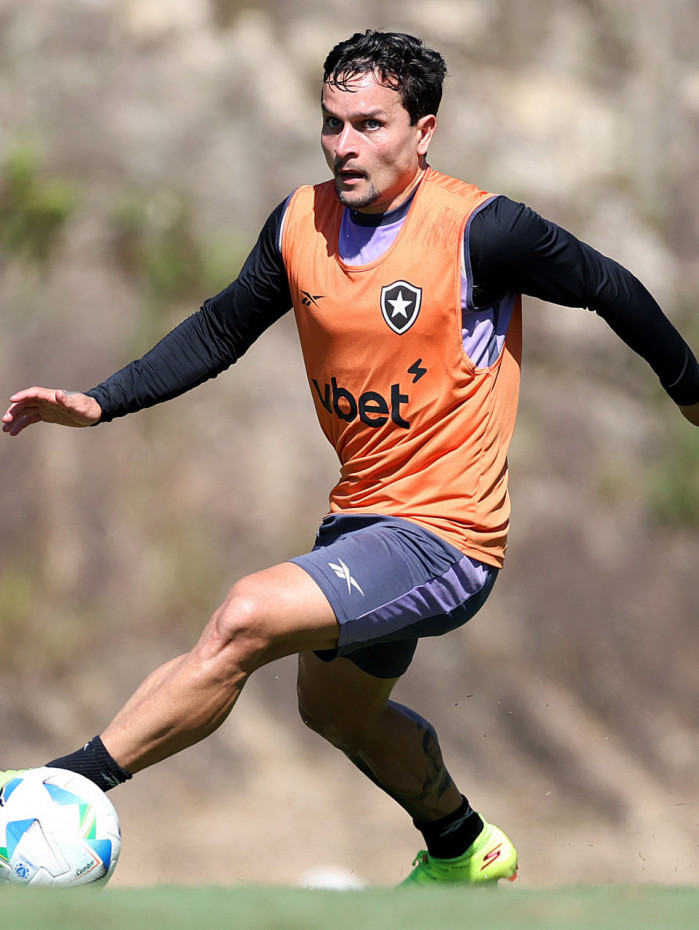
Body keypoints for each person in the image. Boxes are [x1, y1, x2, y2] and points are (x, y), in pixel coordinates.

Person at [2, 29, 699, 887]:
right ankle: (462, 848)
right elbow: (221, 329)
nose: (344, 146)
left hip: (447, 535)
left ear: (424, 131)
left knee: (246, 616)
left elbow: (609, 286)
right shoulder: (301, 223)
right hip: (361, 519)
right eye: (331, 124)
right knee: (338, 714)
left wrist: (689, 388)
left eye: (369, 125)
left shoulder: (481, 230)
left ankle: (55, 788)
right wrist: (102, 400)